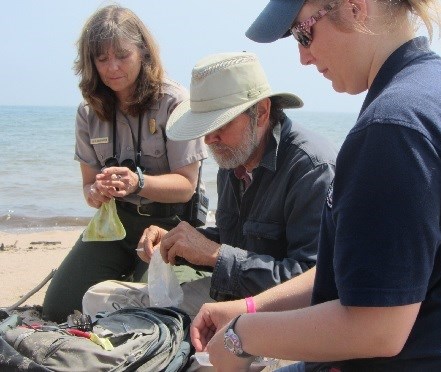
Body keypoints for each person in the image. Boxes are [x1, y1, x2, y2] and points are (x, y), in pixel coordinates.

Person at [190, 1, 441, 371]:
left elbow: (377, 327)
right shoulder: (431, 92)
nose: (302, 57)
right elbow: (366, 269)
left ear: (355, 7)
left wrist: (242, 335)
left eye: (304, 33)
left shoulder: (393, 128)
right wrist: (249, 308)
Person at [82, 51, 337, 319]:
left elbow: (313, 283)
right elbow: (237, 238)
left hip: (283, 315)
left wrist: (215, 255)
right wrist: (179, 242)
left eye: (221, 124)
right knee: (98, 297)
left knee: (150, 323)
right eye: (205, 126)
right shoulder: (234, 156)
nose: (209, 139)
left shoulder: (311, 169)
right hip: (235, 295)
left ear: (261, 113)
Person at [42, 4, 207, 323]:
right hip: (116, 225)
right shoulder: (88, 112)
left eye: (121, 55)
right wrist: (96, 192)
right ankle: (128, 273)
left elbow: (186, 187)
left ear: (143, 53)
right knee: (58, 309)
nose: (112, 67)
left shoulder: (175, 103)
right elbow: (88, 189)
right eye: (101, 59)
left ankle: (144, 275)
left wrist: (138, 182)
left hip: (169, 225)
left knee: (153, 312)